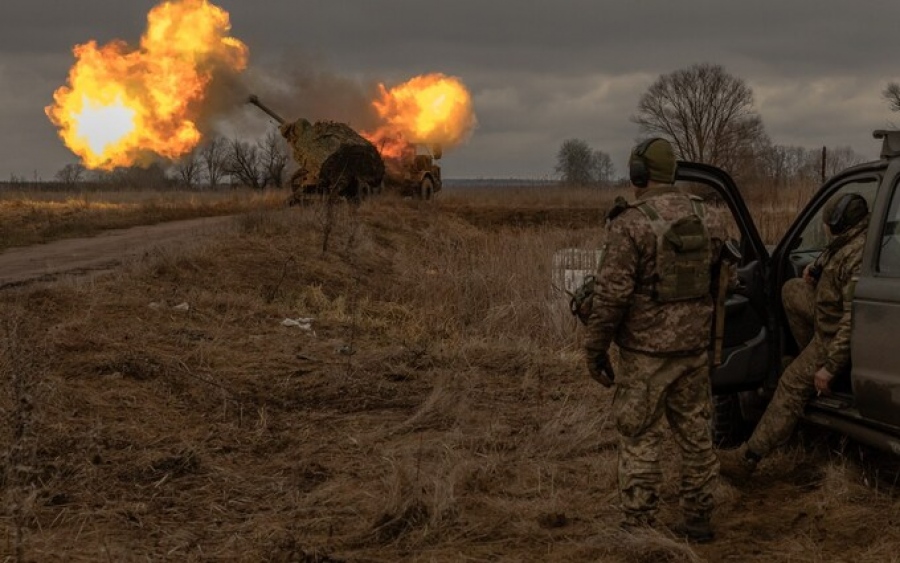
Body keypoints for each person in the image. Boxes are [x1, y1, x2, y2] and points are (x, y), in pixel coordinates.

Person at [583, 137, 732, 543]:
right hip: (693, 351)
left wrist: (595, 348)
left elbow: (611, 295)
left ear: (638, 173)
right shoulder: (711, 217)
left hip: (645, 355)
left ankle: (639, 525)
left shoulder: (630, 222)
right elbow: (719, 279)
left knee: (640, 437)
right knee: (696, 436)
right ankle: (699, 519)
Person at [719, 193, 869, 479]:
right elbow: (833, 254)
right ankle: (809, 360)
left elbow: (852, 321)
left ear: (838, 223)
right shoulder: (851, 241)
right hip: (828, 318)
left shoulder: (857, 258)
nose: (825, 227)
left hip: (834, 336)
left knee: (789, 383)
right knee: (791, 290)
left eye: (827, 222)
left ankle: (747, 458)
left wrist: (829, 366)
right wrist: (816, 268)